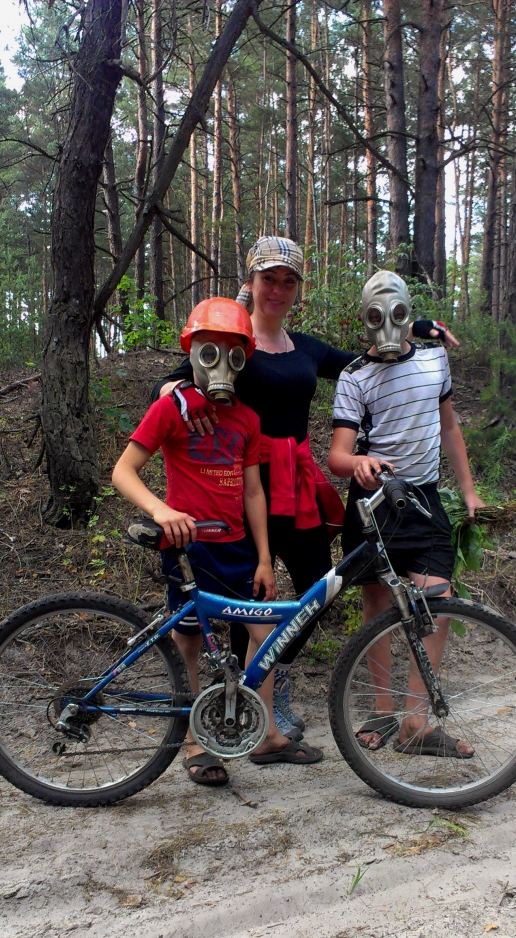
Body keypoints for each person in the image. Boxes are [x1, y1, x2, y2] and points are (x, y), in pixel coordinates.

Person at [153, 238, 462, 741]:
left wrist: (417, 325)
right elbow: (174, 381)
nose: (277, 290)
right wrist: (176, 390)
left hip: (294, 489)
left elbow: (371, 356)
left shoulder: (307, 348)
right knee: (250, 600)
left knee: (319, 590)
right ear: (251, 282)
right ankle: (243, 705)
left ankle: (270, 682)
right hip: (243, 488)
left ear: (298, 289)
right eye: (268, 279)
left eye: (288, 281)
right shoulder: (232, 341)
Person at [112, 297, 323, 786]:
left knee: (265, 637)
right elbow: (124, 471)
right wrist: (162, 512)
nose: (221, 365)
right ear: (192, 352)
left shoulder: (247, 419)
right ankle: (193, 740)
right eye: (209, 353)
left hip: (238, 548)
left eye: (234, 355)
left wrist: (265, 557)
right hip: (189, 550)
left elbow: (253, 491)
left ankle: (266, 735)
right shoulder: (173, 409)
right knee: (187, 642)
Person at [328, 270, 484, 758]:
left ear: (407, 313)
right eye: (376, 315)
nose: (388, 325)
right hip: (373, 505)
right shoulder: (354, 376)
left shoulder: (435, 360)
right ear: (365, 319)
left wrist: (469, 490)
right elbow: (337, 456)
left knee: (438, 600)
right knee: (376, 605)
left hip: (424, 501)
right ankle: (382, 710)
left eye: (396, 313)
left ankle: (416, 721)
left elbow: (449, 428)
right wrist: (360, 464)